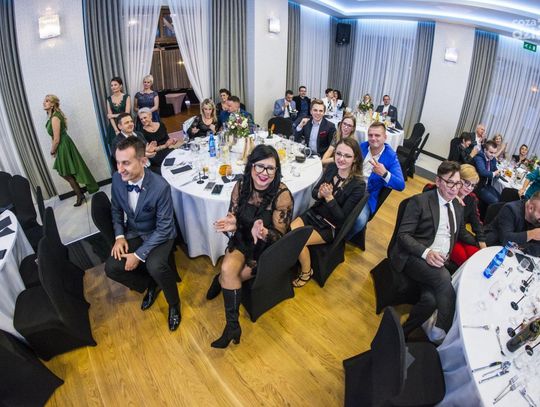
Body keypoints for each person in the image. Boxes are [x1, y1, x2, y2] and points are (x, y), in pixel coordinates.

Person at [206, 145, 294, 348]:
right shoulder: (241, 185)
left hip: (266, 248)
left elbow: (280, 237)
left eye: (270, 168)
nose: (264, 173)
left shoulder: (282, 195)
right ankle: (233, 327)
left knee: (229, 276)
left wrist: (263, 232)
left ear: (276, 170)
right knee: (228, 269)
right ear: (251, 166)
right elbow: (234, 215)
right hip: (244, 239)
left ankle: (218, 280)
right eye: (260, 166)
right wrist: (233, 223)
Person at [389, 161, 477, 340]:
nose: (455, 188)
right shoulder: (420, 201)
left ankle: (403, 333)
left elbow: (460, 233)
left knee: (431, 300)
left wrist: (481, 242)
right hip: (414, 256)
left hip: (439, 262)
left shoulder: (457, 206)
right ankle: (445, 329)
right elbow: (403, 236)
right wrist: (426, 253)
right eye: (450, 182)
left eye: (458, 183)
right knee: (444, 277)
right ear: (438, 181)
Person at [105, 137, 181, 331]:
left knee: (156, 266)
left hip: (160, 234)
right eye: (118, 163)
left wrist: (138, 255)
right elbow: (115, 210)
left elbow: (164, 228)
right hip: (134, 232)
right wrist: (119, 237)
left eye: (126, 163)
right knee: (112, 268)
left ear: (143, 161)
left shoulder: (160, 187)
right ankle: (151, 284)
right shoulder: (117, 179)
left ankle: (174, 303)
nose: (120, 169)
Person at [290, 137, 366, 287]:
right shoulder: (331, 168)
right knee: (290, 231)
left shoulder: (358, 185)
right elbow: (314, 193)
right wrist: (320, 194)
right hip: (314, 213)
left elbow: (341, 219)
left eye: (347, 156)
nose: (341, 159)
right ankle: (291, 261)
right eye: (339, 154)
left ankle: (306, 272)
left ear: (355, 159)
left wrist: (329, 197)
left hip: (329, 226)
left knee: (297, 240)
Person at [348, 121, 405, 237]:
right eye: (370, 135)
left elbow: (401, 185)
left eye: (377, 135)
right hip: (350, 187)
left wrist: (384, 173)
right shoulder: (362, 146)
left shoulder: (391, 156)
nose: (373, 138)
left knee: (360, 220)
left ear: (385, 137)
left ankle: (343, 238)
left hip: (366, 195)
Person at [43, 94, 99, 206]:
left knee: (65, 172)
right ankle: (80, 193)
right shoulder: (52, 116)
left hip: (63, 144)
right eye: (44, 101)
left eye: (47, 101)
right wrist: (55, 149)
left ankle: (79, 195)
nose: (44, 103)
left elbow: (57, 139)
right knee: (65, 172)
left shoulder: (55, 117)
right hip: (62, 145)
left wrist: (52, 151)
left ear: (53, 104)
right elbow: (54, 137)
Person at [449, 164, 485, 266]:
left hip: (461, 235)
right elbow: (429, 189)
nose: (469, 188)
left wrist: (482, 242)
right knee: (465, 260)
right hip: (448, 235)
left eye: (473, 185)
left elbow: (476, 223)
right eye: (467, 183)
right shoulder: (446, 191)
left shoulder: (471, 198)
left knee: (476, 256)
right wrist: (454, 197)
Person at [484, 191, 540, 256]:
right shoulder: (510, 209)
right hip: (491, 247)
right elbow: (505, 239)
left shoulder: (537, 219)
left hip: (514, 254)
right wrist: (531, 234)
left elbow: (538, 249)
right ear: (531, 208)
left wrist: (520, 245)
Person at [138, 108, 174, 173]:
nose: (143, 120)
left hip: (167, 150)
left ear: (150, 116)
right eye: (141, 119)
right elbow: (150, 150)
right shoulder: (141, 132)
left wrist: (172, 141)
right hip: (155, 156)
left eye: (145, 117)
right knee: (170, 168)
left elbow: (167, 139)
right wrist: (165, 145)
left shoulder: (161, 124)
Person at [106, 77, 131, 160]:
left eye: (115, 85)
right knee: (117, 151)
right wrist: (116, 130)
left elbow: (127, 113)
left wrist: (113, 115)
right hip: (113, 127)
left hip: (125, 124)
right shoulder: (108, 99)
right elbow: (109, 117)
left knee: (129, 147)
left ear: (120, 86)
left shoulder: (126, 97)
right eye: (111, 85)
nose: (113, 87)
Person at [473, 140, 501, 206]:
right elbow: (482, 171)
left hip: (486, 185)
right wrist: (494, 173)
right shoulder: (479, 157)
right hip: (477, 186)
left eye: (495, 153)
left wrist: (498, 174)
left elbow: (495, 169)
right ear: (485, 150)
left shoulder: (493, 159)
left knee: (501, 198)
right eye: (491, 152)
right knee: (495, 202)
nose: (493, 155)